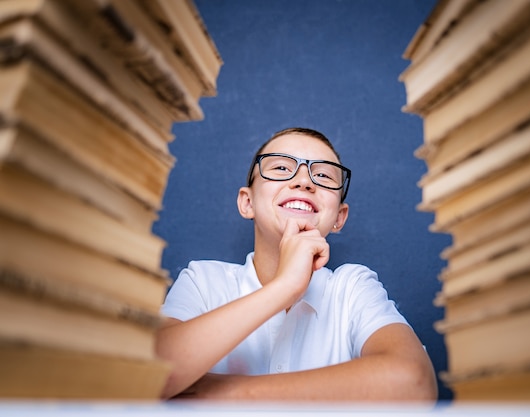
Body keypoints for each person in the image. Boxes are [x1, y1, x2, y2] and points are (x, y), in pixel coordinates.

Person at [156, 127, 438, 402]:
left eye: (324, 175)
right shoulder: (203, 281)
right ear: (247, 202)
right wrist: (285, 286)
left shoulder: (352, 288)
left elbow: (414, 383)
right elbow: (148, 373)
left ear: (339, 217)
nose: (304, 181)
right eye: (280, 168)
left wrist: (224, 392)